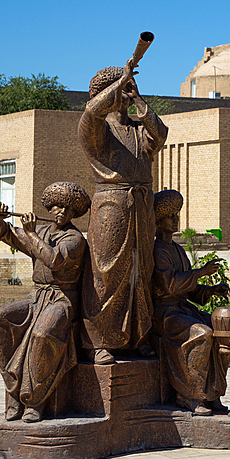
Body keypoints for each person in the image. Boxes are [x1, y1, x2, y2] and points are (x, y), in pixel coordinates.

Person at [79, 55, 168, 365]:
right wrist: (119, 81)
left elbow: (161, 134)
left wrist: (140, 101)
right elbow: (91, 111)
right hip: (111, 207)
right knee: (106, 272)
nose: (127, 92)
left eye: (131, 86)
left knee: (140, 270)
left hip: (141, 208)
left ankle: (138, 336)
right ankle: (98, 340)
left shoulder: (138, 130)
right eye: (122, 88)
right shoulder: (96, 130)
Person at [0, 182, 91, 423]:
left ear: (74, 212)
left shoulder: (75, 239)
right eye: (57, 206)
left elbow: (53, 260)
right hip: (36, 297)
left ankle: (34, 400)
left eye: (67, 208)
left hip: (61, 300)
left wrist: (32, 234)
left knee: (42, 335)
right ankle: (13, 389)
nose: (61, 212)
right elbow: (7, 234)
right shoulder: (42, 232)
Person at [150, 190, 230, 416]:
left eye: (177, 215)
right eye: (170, 216)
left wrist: (212, 290)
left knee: (224, 331)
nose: (176, 220)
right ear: (158, 221)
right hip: (165, 314)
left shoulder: (178, 250)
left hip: (183, 310)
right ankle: (189, 395)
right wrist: (201, 272)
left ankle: (213, 393)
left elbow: (191, 290)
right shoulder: (157, 250)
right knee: (202, 334)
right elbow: (172, 285)